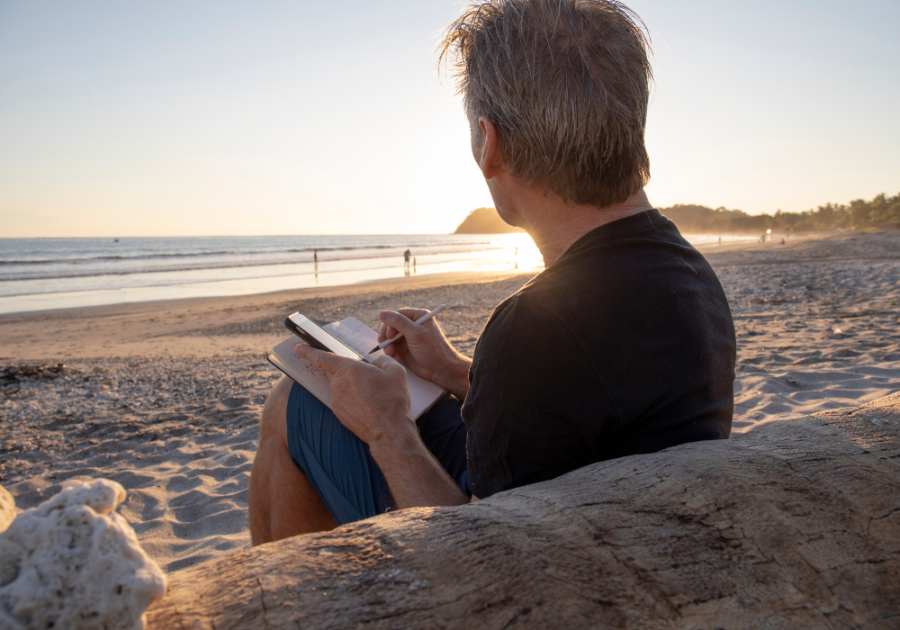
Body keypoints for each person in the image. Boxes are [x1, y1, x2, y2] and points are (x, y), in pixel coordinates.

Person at [248, 0, 736, 543]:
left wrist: (389, 430)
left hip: (557, 556)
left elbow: (480, 549)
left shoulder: (536, 328)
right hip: (618, 511)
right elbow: (593, 406)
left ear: (490, 143)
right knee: (302, 398)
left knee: (292, 403)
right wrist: (454, 371)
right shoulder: (689, 272)